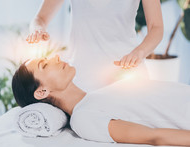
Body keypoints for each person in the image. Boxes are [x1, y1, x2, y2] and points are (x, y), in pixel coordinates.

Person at [12, 55, 190, 146]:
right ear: (42, 91)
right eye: (45, 65)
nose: (56, 57)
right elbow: (154, 137)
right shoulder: (83, 119)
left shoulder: (96, 96)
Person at [25, 0, 164, 92]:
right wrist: (37, 29)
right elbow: (40, 19)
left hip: (127, 76)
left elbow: (156, 28)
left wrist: (139, 52)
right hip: (81, 80)